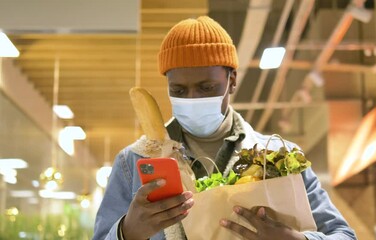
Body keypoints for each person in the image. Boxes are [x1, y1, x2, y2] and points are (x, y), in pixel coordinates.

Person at [93, 16, 357, 240]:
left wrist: (297, 239)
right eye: (179, 90)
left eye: (206, 88)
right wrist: (126, 231)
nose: (193, 99)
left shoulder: (280, 155)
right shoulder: (135, 161)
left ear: (232, 81)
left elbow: (343, 234)